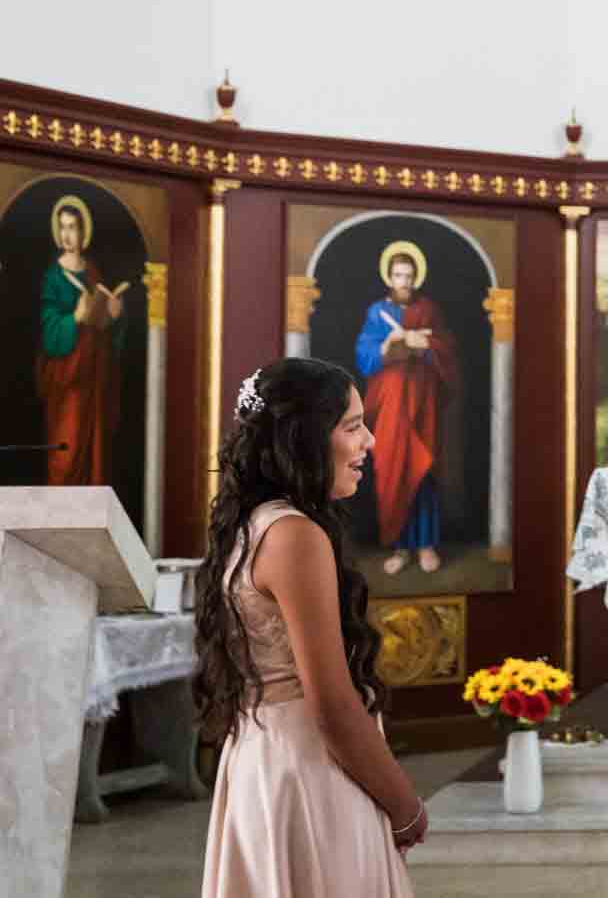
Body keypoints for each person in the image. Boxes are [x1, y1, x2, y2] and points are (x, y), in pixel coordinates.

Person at [194, 357, 426, 897]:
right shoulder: (295, 536)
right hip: (309, 778)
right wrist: (405, 806)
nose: (369, 440)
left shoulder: (249, 525)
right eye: (351, 426)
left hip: (262, 762)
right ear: (303, 438)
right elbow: (333, 705)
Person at [353, 243, 459, 575]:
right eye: (398, 275)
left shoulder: (428, 310)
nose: (404, 282)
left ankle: (426, 545)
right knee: (393, 470)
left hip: (422, 402)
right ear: (389, 277)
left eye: (409, 276)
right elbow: (364, 355)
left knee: (422, 469)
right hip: (390, 405)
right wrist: (387, 345)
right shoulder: (376, 312)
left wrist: (424, 343)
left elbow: (446, 348)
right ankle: (400, 548)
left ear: (416, 278)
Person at [36, 195, 127, 487]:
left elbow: (105, 328)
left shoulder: (91, 271)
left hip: (94, 374)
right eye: (62, 227)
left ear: (83, 232)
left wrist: (113, 314)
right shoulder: (53, 276)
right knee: (67, 448)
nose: (67, 235)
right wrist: (73, 317)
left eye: (73, 227)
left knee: (94, 449)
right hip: (67, 378)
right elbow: (48, 327)